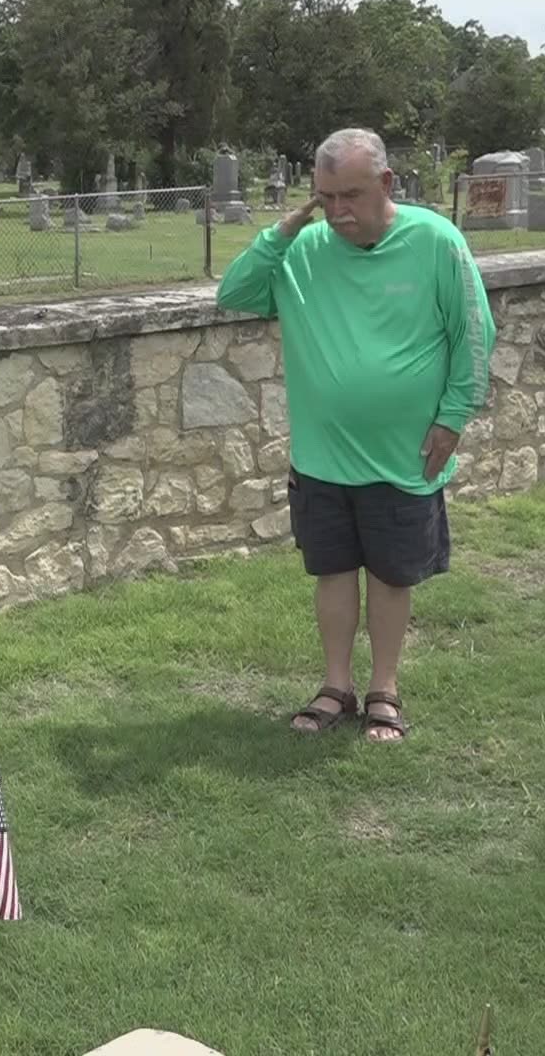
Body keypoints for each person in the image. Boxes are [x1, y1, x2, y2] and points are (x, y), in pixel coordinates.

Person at [214, 127, 496, 743]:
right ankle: (335, 685)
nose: (338, 211)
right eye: (326, 197)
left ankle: (384, 690)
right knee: (334, 572)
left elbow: (473, 337)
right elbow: (232, 292)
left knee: (393, 576)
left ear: (386, 185)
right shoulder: (304, 250)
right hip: (323, 456)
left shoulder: (435, 241)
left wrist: (453, 417)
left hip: (405, 455)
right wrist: (286, 229)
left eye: (351, 195)